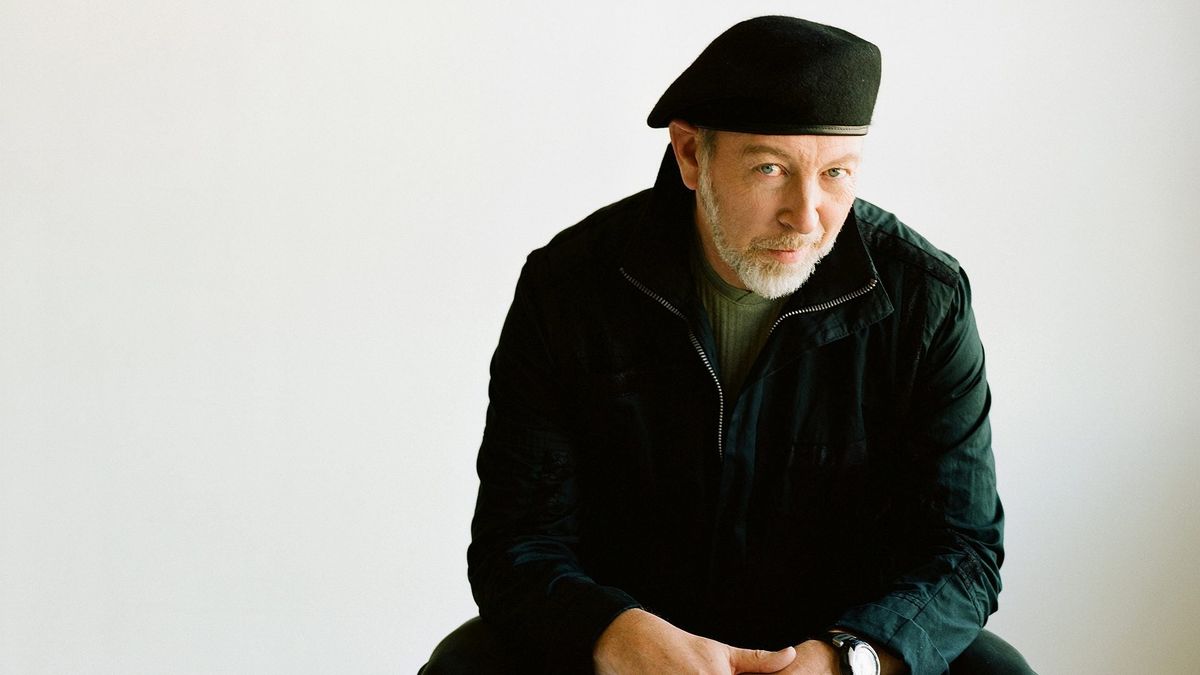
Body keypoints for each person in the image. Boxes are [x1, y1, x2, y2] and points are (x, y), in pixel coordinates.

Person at [423, 15, 1035, 675]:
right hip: (634, 636)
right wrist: (617, 635)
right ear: (691, 154)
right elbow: (517, 543)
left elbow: (964, 550)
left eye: (836, 173)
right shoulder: (570, 289)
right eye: (770, 168)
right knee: (464, 665)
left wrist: (850, 657)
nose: (805, 215)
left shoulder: (925, 299)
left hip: (838, 639)